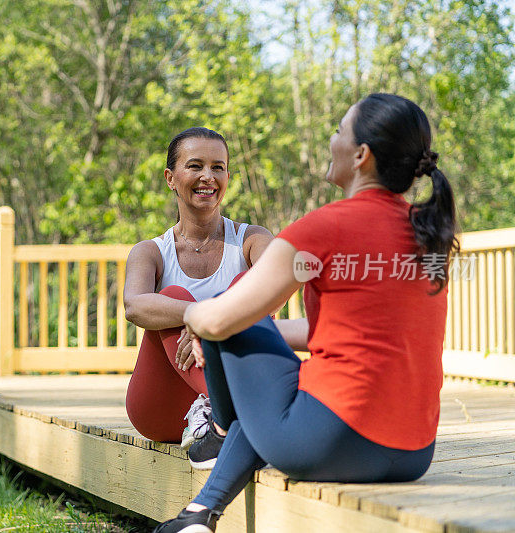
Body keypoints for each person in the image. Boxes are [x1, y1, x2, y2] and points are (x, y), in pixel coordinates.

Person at [153, 93, 458, 532]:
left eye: (338, 130)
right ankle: (199, 516)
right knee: (247, 336)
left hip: (324, 442)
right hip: (413, 452)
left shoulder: (324, 227)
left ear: (361, 155)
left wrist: (199, 320)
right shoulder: (428, 234)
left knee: (232, 315)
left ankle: (218, 433)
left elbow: (222, 320)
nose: (330, 139)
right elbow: (338, 330)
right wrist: (228, 322)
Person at [123, 127, 273, 449]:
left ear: (228, 177)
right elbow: (134, 306)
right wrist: (197, 314)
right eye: (195, 166)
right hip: (164, 408)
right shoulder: (151, 251)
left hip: (237, 392)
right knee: (173, 298)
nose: (208, 176)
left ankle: (218, 416)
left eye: (218, 167)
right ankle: (225, 410)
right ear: (170, 177)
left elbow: (276, 289)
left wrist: (212, 322)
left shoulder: (252, 240)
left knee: (246, 284)